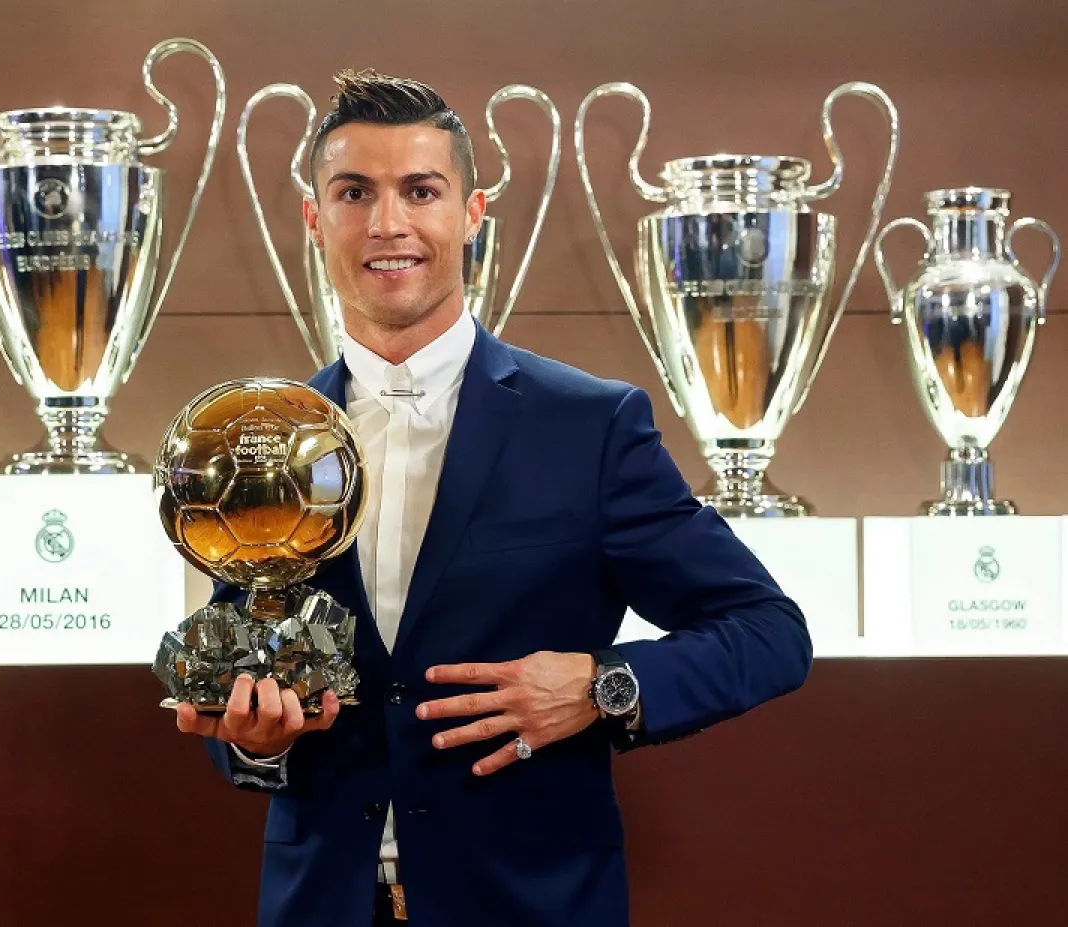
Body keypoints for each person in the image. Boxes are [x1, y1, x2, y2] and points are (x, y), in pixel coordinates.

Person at [173, 69, 813, 927]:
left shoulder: (589, 426)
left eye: (421, 190)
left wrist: (601, 684)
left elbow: (771, 632)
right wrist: (259, 743)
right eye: (354, 191)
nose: (387, 223)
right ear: (315, 219)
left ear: (472, 216)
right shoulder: (261, 440)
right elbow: (246, 686)